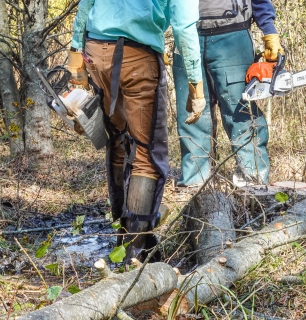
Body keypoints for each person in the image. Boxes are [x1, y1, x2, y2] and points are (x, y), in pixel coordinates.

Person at [67, 0, 204, 263]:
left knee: (119, 144)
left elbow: (85, 5)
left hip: (96, 50)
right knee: (146, 156)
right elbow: (184, 25)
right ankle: (136, 254)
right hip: (137, 55)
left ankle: (123, 242)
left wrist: (76, 57)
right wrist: (196, 84)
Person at [172, 0, 283, 187]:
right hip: (186, 33)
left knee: (240, 112)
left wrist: (269, 29)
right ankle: (195, 185)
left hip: (232, 34)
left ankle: (254, 181)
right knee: (191, 114)